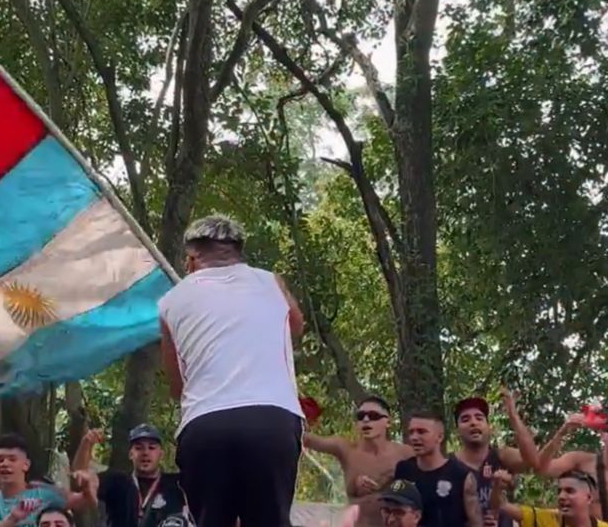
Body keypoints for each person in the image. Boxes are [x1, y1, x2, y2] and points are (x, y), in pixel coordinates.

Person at [158, 214, 305, 527]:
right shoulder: (270, 282)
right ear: (239, 252)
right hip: (272, 421)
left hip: (206, 423)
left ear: (191, 259)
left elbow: (176, 386)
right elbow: (295, 326)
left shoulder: (170, 301)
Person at [303, 396, 413, 527]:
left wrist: (394, 482)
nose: (366, 420)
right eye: (361, 416)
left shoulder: (405, 453)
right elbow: (306, 439)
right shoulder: (345, 449)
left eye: (373, 416)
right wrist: (294, 413)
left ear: (388, 422)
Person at [452, 388, 542, 527]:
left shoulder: (501, 456)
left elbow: (533, 461)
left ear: (489, 427)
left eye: (479, 418)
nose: (473, 422)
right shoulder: (448, 465)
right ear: (457, 431)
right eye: (465, 419)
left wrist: (513, 414)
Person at [71, 424, 187, 526]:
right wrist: (86, 442)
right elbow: (80, 475)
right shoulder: (116, 481)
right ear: (130, 454)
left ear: (161, 454)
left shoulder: (177, 484)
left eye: (151, 448)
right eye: (138, 448)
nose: (145, 453)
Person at [394, 412, 482, 527]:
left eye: (421, 432)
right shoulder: (403, 470)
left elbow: (475, 522)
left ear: (439, 437)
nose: (414, 437)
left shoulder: (460, 475)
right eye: (411, 432)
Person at [490, 468, 608, 527]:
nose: (561, 496)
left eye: (570, 491)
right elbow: (500, 505)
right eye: (559, 491)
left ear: (589, 498)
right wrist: (497, 485)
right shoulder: (544, 520)